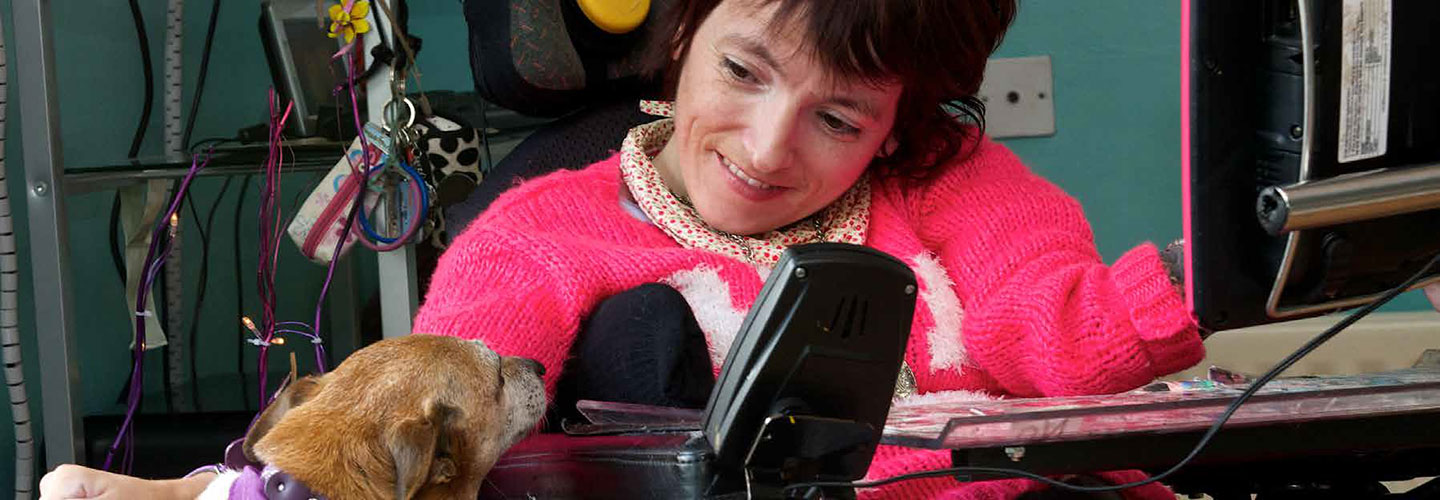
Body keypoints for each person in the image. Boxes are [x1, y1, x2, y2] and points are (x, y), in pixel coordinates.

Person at [38, 0, 1440, 498]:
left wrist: (1217, 286)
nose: (771, 147)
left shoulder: (964, 183)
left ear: (898, 126)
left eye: (839, 115)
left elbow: (1049, 331)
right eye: (744, 72)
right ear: (681, 36)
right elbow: (448, 382)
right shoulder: (555, 223)